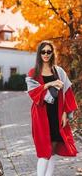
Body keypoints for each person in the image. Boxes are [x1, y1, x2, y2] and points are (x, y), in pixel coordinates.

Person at [25, 41, 78, 176]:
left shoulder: (59, 71)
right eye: (43, 52)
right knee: (44, 150)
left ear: (52, 53)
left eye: (49, 52)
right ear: (39, 53)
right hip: (42, 115)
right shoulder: (33, 73)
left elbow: (67, 92)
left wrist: (65, 113)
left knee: (53, 148)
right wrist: (50, 84)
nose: (46, 54)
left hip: (57, 113)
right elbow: (33, 93)